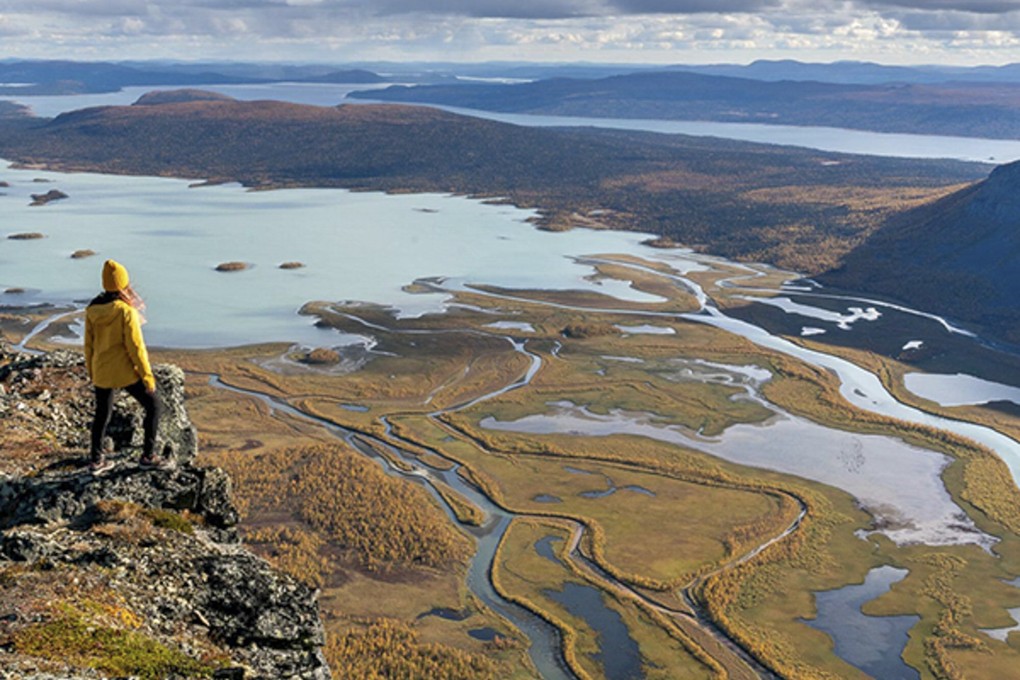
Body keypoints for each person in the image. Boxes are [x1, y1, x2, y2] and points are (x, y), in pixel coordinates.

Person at [84, 259, 164, 473]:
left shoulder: (92, 310)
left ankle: (96, 461)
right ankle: (148, 456)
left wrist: (93, 372)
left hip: (101, 372)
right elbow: (136, 348)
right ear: (122, 284)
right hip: (124, 373)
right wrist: (147, 377)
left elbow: (88, 346)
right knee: (154, 406)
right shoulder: (125, 312)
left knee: (102, 415)